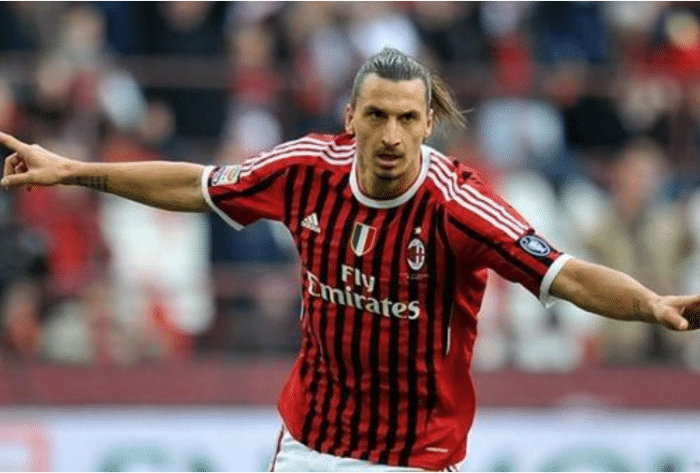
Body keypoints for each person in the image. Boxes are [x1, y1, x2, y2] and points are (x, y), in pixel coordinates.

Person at [2, 47, 699, 472]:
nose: (391, 135)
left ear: (428, 124)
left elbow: (565, 274)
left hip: (415, 458)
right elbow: (198, 184)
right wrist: (76, 171)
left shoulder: (461, 207)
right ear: (351, 118)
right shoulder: (305, 170)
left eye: (406, 118)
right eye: (377, 116)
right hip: (311, 445)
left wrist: (652, 304)